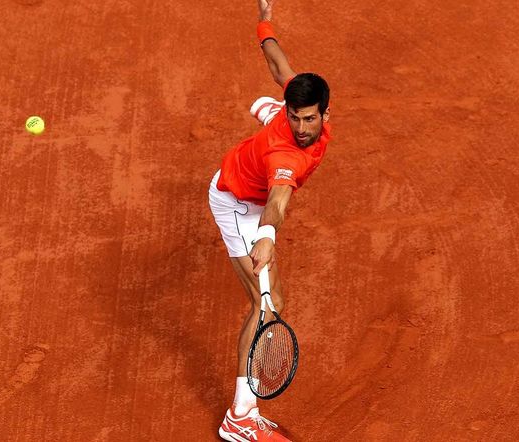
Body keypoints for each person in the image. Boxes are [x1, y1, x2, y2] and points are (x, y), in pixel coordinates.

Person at [208, 1, 331, 440]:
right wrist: (266, 236)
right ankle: (239, 418)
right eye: (293, 117)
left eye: (309, 118)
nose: (301, 127)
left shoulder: (300, 97)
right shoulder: (287, 155)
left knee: (273, 299)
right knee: (264, 305)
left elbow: (277, 63)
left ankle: (266, 113)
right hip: (238, 202)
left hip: (252, 177)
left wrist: (265, 20)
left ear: (325, 113)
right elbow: (278, 200)